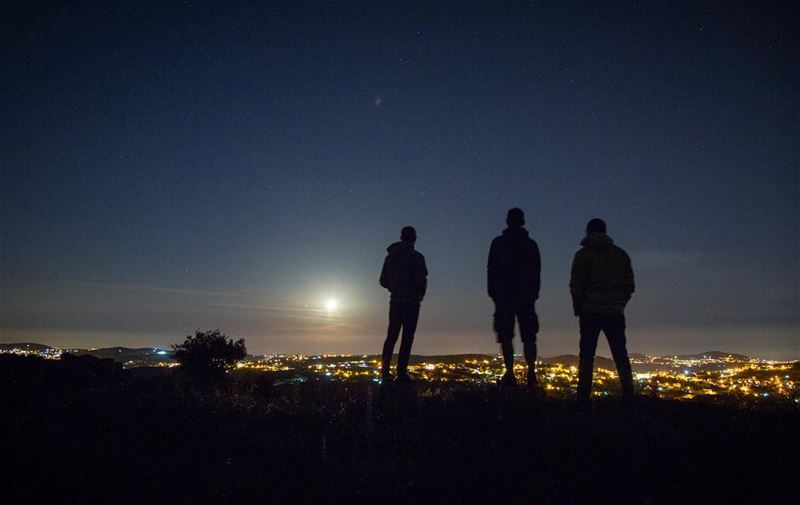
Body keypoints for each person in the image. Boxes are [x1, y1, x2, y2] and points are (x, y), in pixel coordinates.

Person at [569, 218, 635, 407]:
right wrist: (619, 303)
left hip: (589, 311)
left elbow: (576, 284)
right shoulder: (620, 255)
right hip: (614, 312)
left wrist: (578, 307)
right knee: (620, 353)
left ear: (588, 232)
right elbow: (629, 285)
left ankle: (583, 397)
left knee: (587, 355)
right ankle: (629, 394)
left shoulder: (583, 255)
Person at [487, 208, 541, 387]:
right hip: (525, 297)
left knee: (506, 336)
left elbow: (491, 271)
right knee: (529, 336)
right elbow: (536, 272)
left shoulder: (498, 243)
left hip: (504, 297)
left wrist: (494, 294)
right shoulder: (530, 245)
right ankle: (531, 373)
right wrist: (533, 294)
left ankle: (510, 373)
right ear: (522, 222)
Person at [379, 226, 428, 383]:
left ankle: (385, 372)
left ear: (401, 238)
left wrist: (394, 288)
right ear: (414, 239)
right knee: (407, 338)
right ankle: (401, 373)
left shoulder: (390, 258)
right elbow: (421, 280)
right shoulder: (417, 257)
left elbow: (382, 281)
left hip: (396, 301)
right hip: (411, 303)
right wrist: (418, 295)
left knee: (391, 336)